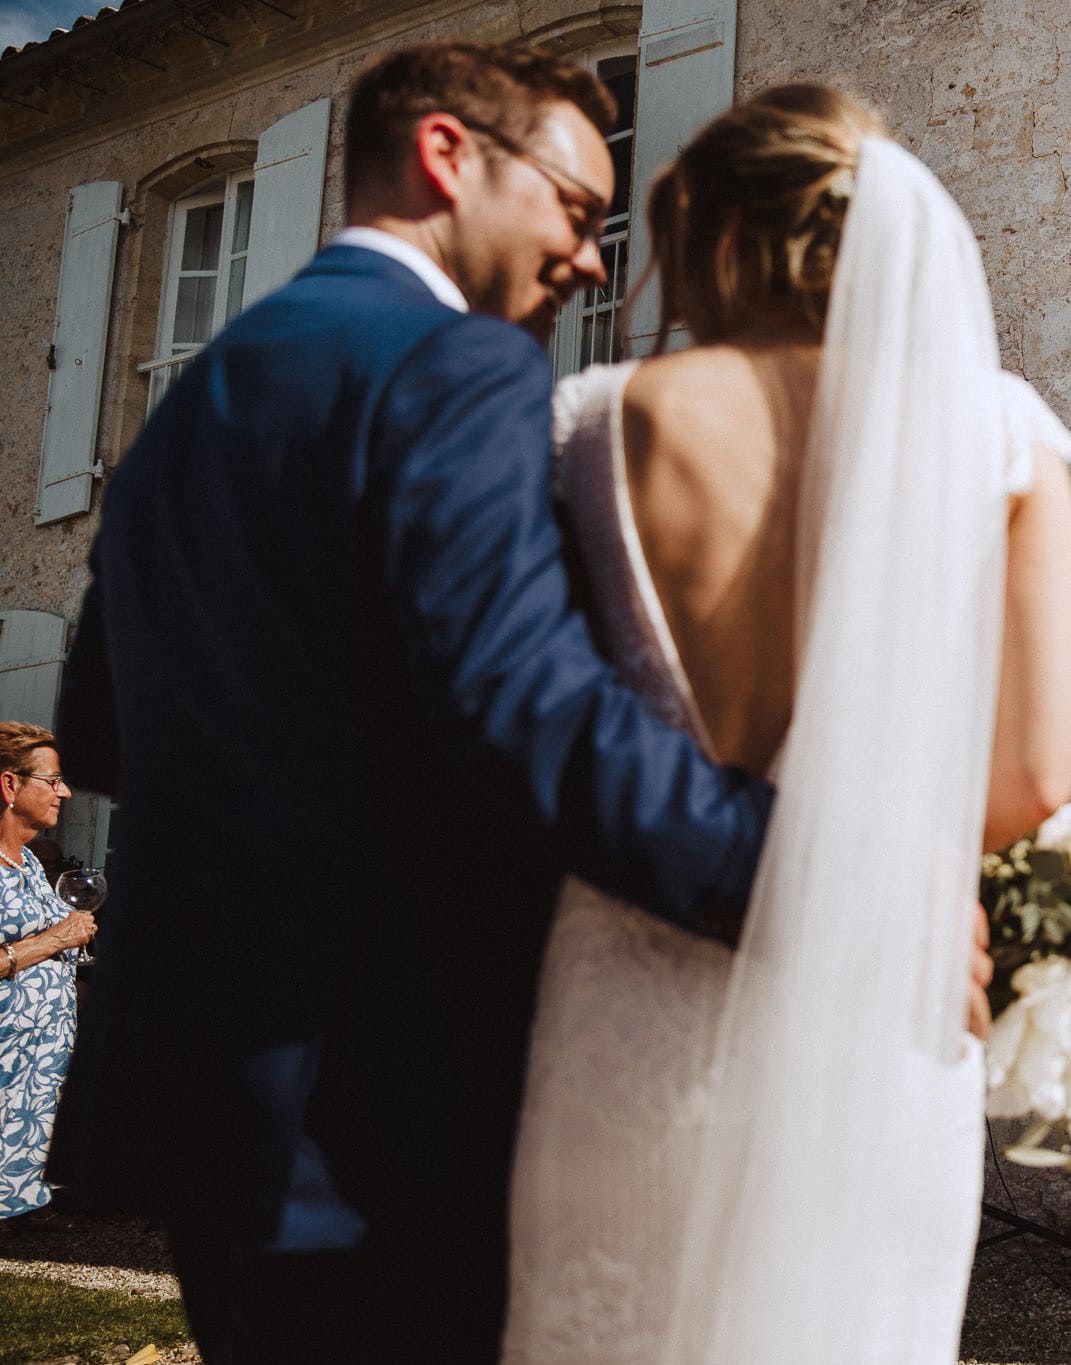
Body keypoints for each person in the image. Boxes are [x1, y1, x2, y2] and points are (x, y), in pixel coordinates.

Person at [49, 42, 781, 1363]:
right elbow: (526, 707)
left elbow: (100, 732)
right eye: (575, 207)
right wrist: (804, 869)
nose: (595, 256)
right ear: (449, 155)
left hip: (214, 1115)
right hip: (388, 1103)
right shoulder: (454, 367)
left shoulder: (181, 419)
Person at [500, 85, 1071, 1363]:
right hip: (890, 1005)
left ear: (711, 236)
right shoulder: (1001, 435)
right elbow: (1032, 778)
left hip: (633, 1015)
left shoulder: (592, 421)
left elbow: (538, 724)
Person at [0, 723, 97, 1221]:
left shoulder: (29, 866)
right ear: (10, 785)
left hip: (37, 1076)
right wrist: (54, 939)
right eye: (53, 780)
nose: (64, 791)